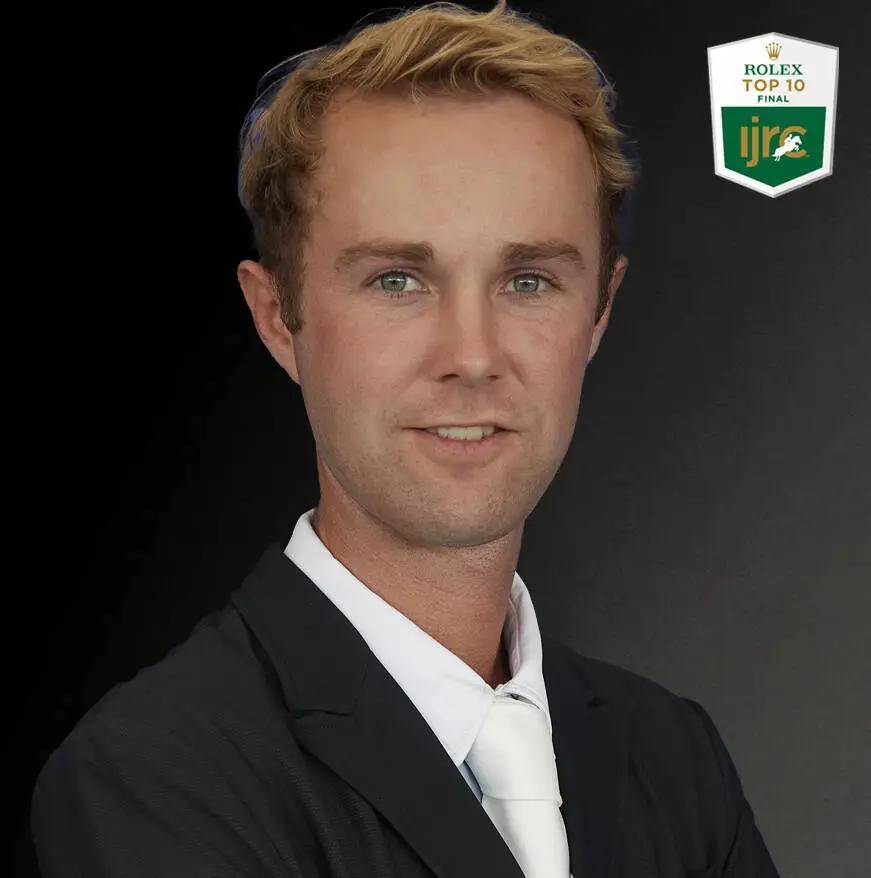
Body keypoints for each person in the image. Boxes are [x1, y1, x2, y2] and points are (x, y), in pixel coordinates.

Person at [30, 2, 780, 876]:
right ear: (277, 317)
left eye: (528, 280)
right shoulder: (159, 777)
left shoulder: (675, 759)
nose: (472, 357)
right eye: (396, 280)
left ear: (598, 313)